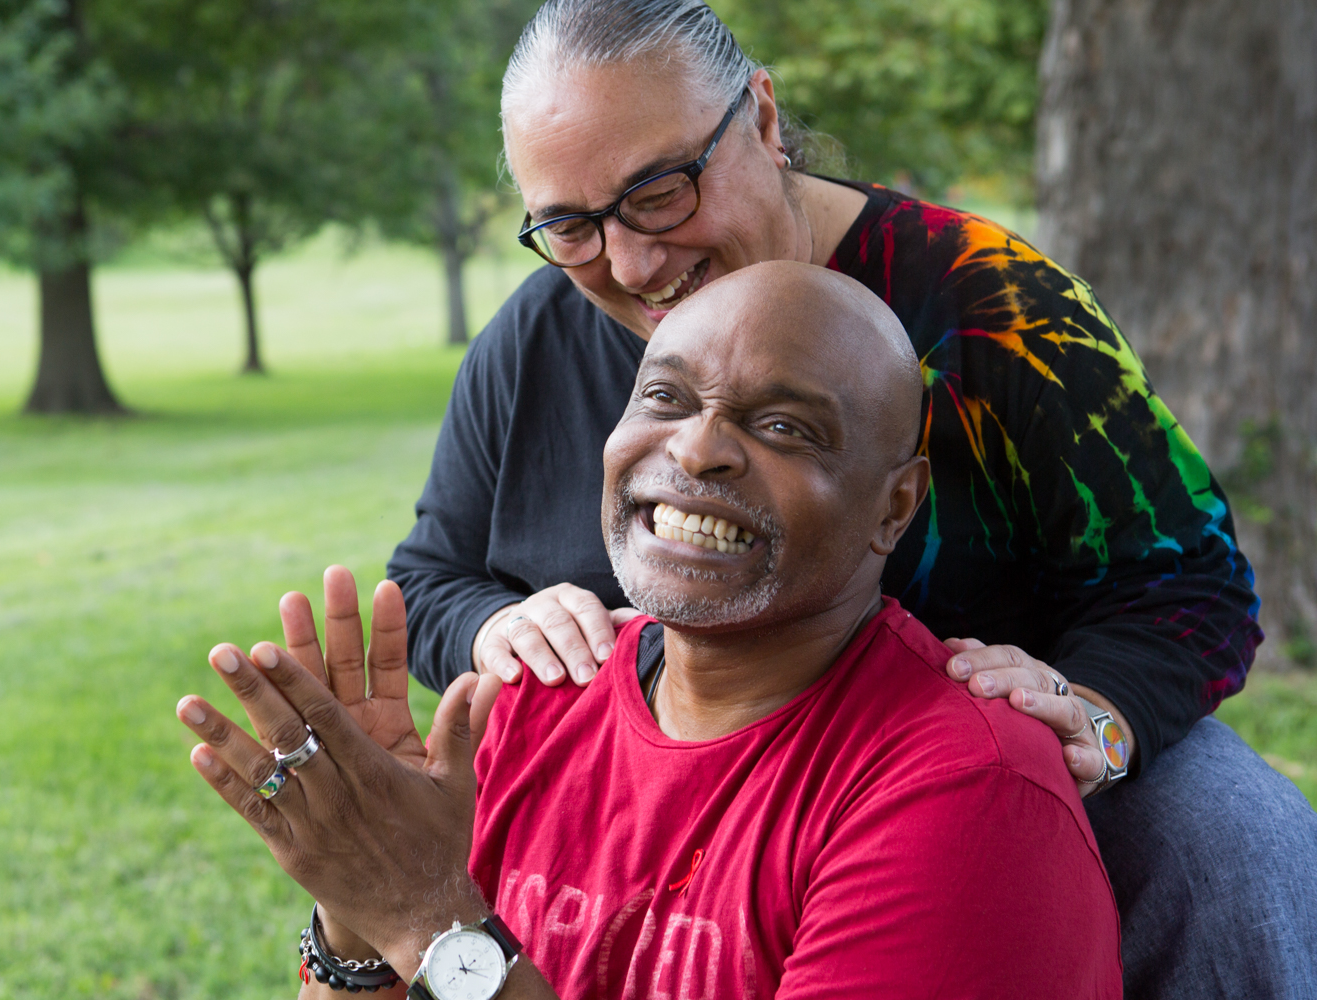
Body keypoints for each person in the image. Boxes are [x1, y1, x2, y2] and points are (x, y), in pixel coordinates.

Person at [385, 1, 1317, 995]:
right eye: (570, 225)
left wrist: (1097, 714)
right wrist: (499, 625)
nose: (631, 264)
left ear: (764, 118)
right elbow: (433, 577)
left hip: (973, 789)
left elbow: (1196, 583)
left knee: (1218, 825)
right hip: (668, 823)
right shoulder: (534, 340)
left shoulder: (995, 311)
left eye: (658, 193)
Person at [177, 262, 1122, 998]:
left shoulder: (964, 791)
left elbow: (434, 926)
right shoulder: (535, 705)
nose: (699, 448)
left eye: (786, 427)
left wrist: (428, 916)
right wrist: (360, 899)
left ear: (895, 504)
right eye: (665, 399)